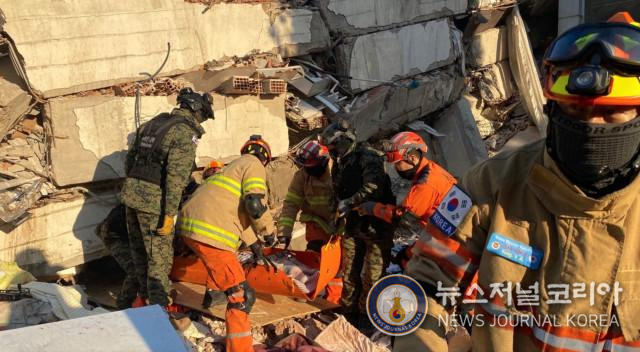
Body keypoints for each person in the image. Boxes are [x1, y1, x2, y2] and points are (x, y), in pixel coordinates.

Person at [396, 12, 640, 351]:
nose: (591, 127)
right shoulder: (492, 186)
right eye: (575, 112)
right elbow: (426, 285)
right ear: (552, 108)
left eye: (611, 114)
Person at [178, 135, 278, 352]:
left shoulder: (230, 169)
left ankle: (210, 303)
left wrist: (256, 248)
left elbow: (235, 213)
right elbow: (254, 204)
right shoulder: (253, 165)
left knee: (222, 266)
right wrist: (269, 233)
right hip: (212, 232)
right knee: (242, 296)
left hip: (191, 228)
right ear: (265, 158)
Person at [120, 87, 213, 308]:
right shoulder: (184, 133)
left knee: (140, 256)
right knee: (159, 262)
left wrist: (137, 188)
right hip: (154, 204)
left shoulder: (153, 124)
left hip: (130, 197)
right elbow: (175, 178)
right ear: (197, 110)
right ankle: (159, 314)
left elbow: (129, 161)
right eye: (204, 115)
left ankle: (140, 306)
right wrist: (170, 214)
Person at [320, 120, 395, 330]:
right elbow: (336, 191)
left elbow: (374, 188)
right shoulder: (340, 161)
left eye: (334, 146)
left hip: (376, 226)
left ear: (345, 141)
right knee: (349, 270)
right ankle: (349, 312)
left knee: (373, 274)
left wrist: (349, 202)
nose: (332, 151)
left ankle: (369, 317)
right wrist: (334, 214)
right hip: (354, 224)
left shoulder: (367, 156)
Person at [277, 140, 343, 303]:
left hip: (339, 228)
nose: (307, 169)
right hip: (315, 224)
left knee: (336, 268)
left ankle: (332, 303)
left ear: (323, 162)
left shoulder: (337, 173)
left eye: (310, 166)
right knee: (312, 261)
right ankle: (306, 294)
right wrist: (284, 232)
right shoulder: (302, 176)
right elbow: (291, 204)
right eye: (304, 166)